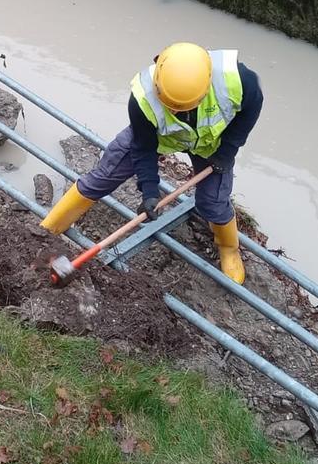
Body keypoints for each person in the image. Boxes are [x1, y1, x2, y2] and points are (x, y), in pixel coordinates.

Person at [41, 42, 263, 284]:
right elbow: (143, 147)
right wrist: (149, 192)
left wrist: (228, 150)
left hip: (210, 143)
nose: (175, 113)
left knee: (213, 203)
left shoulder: (239, 81)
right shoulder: (142, 99)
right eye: (170, 106)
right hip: (157, 137)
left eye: (183, 108)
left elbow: (252, 106)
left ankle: (229, 249)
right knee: (104, 177)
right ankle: (46, 229)